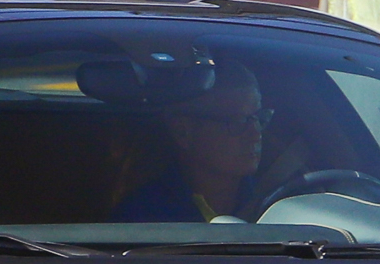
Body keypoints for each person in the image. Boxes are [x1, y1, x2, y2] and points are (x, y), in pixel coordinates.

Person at [112, 61, 272, 222]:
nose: (255, 135)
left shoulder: (276, 201)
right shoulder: (143, 217)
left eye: (258, 118)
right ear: (183, 130)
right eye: (238, 121)